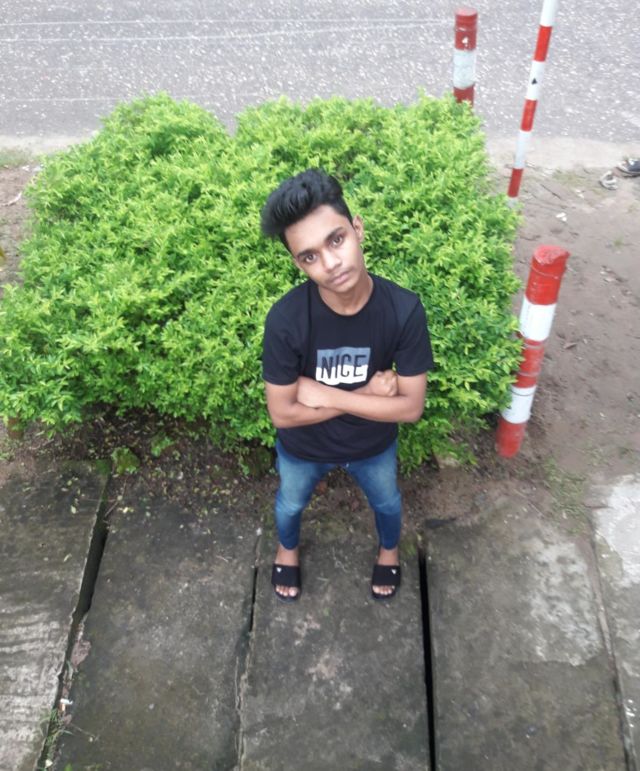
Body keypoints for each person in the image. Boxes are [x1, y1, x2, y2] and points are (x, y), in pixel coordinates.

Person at [261, 169, 434, 603]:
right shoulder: (285, 321)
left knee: (387, 503)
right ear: (298, 263)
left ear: (357, 228)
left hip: (372, 445)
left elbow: (411, 407)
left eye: (336, 240)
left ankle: (389, 550)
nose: (330, 263)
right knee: (289, 504)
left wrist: (326, 395)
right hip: (303, 448)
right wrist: (367, 396)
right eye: (309, 256)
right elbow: (282, 413)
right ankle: (287, 548)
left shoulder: (403, 311)